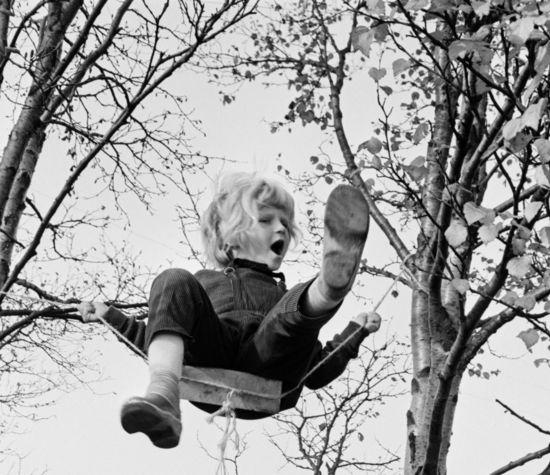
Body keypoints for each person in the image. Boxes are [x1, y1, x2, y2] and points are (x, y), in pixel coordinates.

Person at [80, 172, 382, 449]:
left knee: (291, 312)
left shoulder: (282, 298)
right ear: (227, 237)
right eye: (266, 220)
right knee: (174, 281)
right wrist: (112, 317)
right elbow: (163, 333)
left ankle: (327, 288)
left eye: (286, 224)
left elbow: (315, 371)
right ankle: (163, 395)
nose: (281, 228)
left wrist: (353, 333)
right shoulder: (206, 283)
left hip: (269, 363)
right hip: (214, 355)